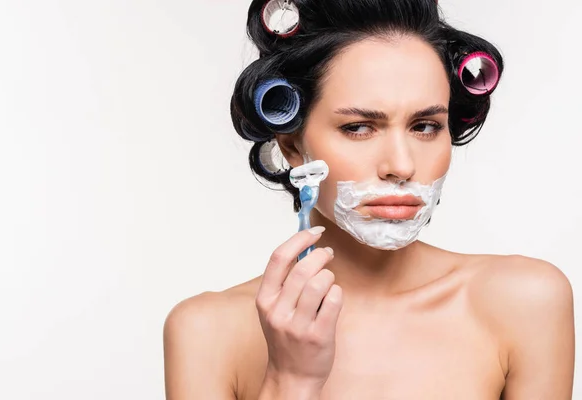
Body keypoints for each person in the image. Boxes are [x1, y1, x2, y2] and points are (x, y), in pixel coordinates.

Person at [163, 0, 575, 398]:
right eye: (359, 127)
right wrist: (291, 380)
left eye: (426, 126)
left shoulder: (525, 302)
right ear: (291, 146)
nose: (401, 165)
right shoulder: (206, 333)